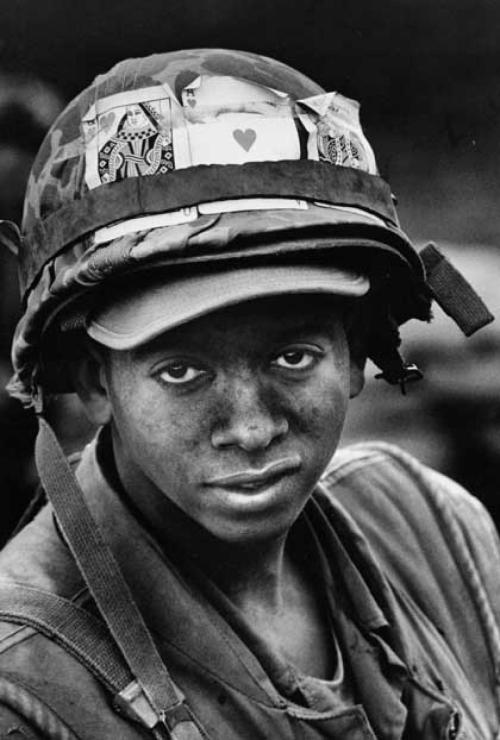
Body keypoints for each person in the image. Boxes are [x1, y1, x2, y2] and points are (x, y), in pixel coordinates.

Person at [0, 49, 497, 740]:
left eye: (293, 357)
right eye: (182, 371)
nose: (252, 427)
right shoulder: (24, 687)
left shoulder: (428, 529)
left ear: (356, 352)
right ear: (93, 380)